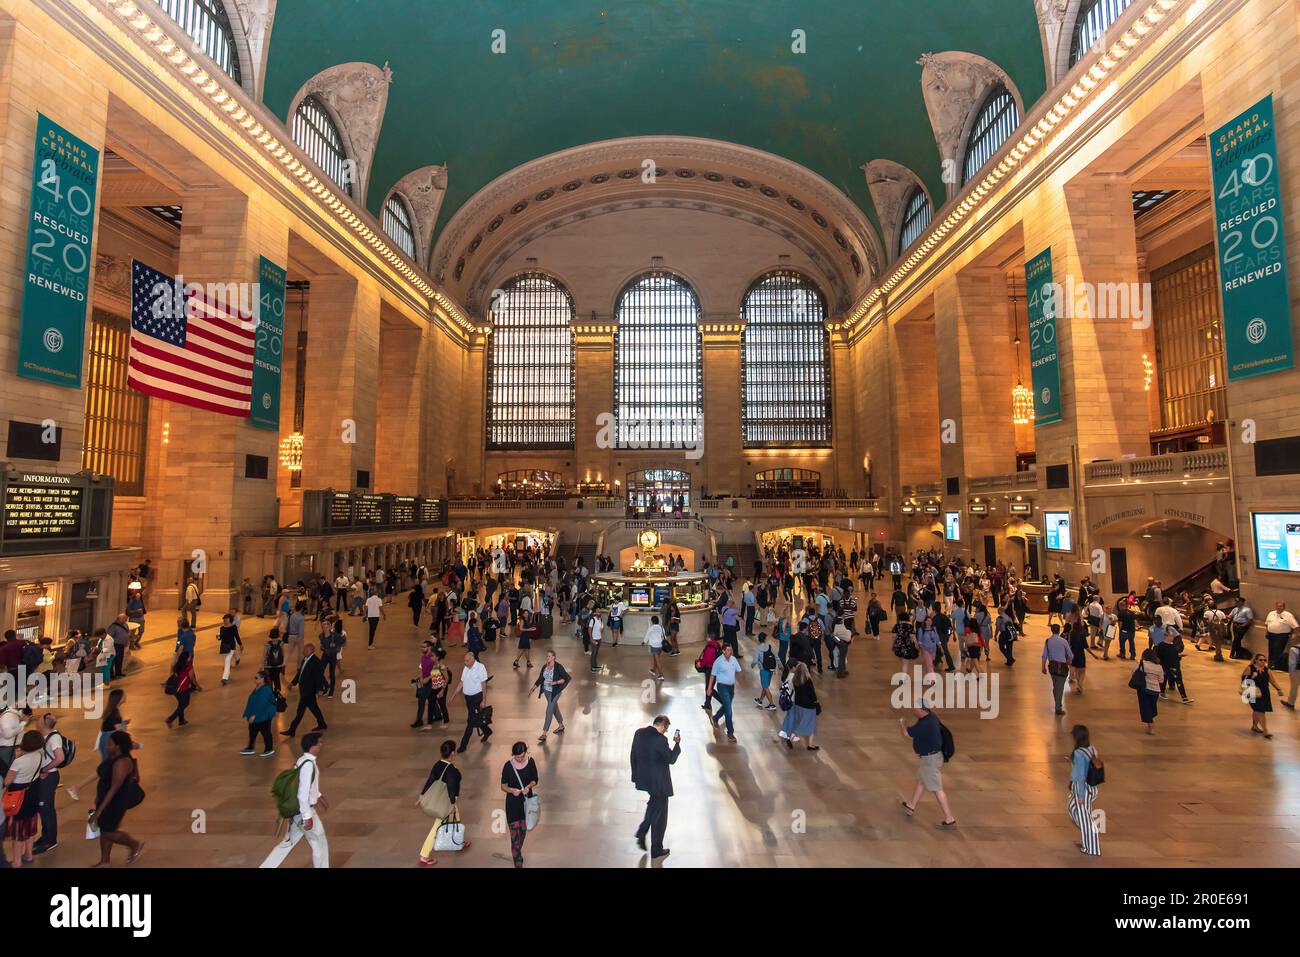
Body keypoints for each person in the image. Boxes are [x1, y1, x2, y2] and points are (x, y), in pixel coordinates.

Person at [261, 732, 328, 868]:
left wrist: (319, 795)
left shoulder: (302, 760)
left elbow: (301, 784)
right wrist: (307, 817)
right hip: (304, 811)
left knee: (287, 843)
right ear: (312, 746)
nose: (321, 745)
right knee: (319, 842)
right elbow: (302, 793)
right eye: (319, 742)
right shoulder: (309, 765)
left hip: (296, 814)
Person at [629, 716, 679, 860]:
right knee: (660, 817)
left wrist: (635, 776)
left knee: (653, 805)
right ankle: (656, 849)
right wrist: (677, 745)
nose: (665, 732)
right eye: (666, 729)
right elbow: (671, 759)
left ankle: (642, 831)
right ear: (663, 726)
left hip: (645, 779)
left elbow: (632, 754)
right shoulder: (660, 740)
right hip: (659, 783)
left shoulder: (639, 733)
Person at [899, 707, 956, 827]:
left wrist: (902, 723)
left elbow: (906, 733)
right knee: (921, 781)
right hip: (931, 758)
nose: (914, 711)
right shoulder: (931, 717)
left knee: (937, 789)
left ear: (922, 710)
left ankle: (949, 818)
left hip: (930, 761)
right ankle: (911, 805)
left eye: (916, 709)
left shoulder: (925, 723)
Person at [416, 740, 465, 866]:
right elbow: (451, 789)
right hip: (446, 803)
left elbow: (430, 780)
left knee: (457, 816)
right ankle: (424, 855)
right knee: (437, 826)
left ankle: (459, 840)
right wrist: (452, 803)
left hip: (440, 798)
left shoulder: (437, 765)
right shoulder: (452, 770)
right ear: (453, 752)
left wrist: (422, 796)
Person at [3, 730, 44, 866]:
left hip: (18, 797)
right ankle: (28, 854)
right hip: (33, 792)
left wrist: (16, 758)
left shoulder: (19, 762)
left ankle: (17, 861)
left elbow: (8, 781)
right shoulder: (40, 755)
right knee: (30, 825)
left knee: (18, 831)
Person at [500, 742, 539, 867]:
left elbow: (535, 779)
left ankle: (517, 849)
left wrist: (528, 786)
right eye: (517, 757)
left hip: (526, 802)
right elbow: (503, 786)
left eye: (522, 756)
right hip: (512, 803)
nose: (520, 759)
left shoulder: (531, 762)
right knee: (514, 833)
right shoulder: (508, 766)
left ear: (526, 752)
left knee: (523, 830)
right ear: (513, 755)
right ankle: (517, 858)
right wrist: (512, 790)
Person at [1067, 724, 1101, 856]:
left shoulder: (1078, 754)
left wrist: (1080, 796)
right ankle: (1088, 835)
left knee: (1084, 817)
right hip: (1090, 788)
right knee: (1073, 809)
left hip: (1082, 789)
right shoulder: (1091, 749)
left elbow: (1080, 776)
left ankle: (1091, 847)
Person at [449, 650, 491, 753]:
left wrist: (483, 700)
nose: (465, 662)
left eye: (467, 660)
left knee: (470, 721)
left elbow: (484, 684)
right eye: (464, 660)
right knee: (477, 717)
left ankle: (463, 745)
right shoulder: (466, 668)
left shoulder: (480, 668)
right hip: (468, 699)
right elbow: (461, 682)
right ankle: (487, 731)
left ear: (473, 660)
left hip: (477, 698)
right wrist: (453, 695)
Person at [282, 643, 327, 736]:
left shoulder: (316, 662)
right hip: (304, 690)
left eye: (305, 650)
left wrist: (319, 690)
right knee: (314, 709)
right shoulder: (305, 659)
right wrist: (292, 683)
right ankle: (322, 724)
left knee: (300, 712)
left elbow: (319, 677)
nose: (303, 651)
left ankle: (292, 730)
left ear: (310, 651)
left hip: (309, 691)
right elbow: (300, 673)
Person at [779, 660, 820, 749]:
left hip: (798, 705)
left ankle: (809, 743)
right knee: (810, 724)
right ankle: (801, 739)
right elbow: (812, 694)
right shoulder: (808, 680)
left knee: (799, 721)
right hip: (809, 706)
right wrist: (816, 702)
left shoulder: (795, 680)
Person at [531, 649, 569, 743]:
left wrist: (555, 682)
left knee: (549, 710)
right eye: (547, 656)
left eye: (549, 656)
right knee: (554, 708)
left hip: (555, 692)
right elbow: (541, 678)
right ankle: (561, 725)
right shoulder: (545, 666)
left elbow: (566, 678)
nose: (547, 658)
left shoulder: (558, 667)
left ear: (553, 657)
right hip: (547, 692)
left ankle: (544, 733)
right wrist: (533, 688)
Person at [1242, 653, 1281, 739]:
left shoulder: (1267, 670)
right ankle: (1266, 730)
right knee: (1260, 710)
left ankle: (1255, 726)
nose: (1263, 662)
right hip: (1252, 692)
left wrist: (1279, 689)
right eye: (1260, 660)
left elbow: (1273, 681)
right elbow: (1244, 681)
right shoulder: (1250, 668)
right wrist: (1252, 677)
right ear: (1255, 660)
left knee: (1258, 710)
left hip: (1264, 693)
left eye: (1264, 660)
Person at [240, 670, 278, 757]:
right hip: (257, 716)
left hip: (264, 715)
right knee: (252, 731)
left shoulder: (266, 689)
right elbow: (251, 701)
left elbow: (261, 704)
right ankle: (250, 748)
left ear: (262, 679)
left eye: (256, 678)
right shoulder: (257, 688)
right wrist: (246, 714)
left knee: (265, 732)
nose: (254, 679)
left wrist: (254, 715)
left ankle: (269, 749)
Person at [1041, 624, 1072, 715]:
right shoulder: (1063, 641)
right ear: (1059, 631)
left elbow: (1044, 655)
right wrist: (1069, 661)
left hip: (1052, 667)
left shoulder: (1048, 641)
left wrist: (1043, 667)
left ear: (1051, 630)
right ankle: (1058, 708)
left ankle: (1058, 703)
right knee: (1060, 687)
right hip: (1062, 667)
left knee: (1056, 686)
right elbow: (1070, 654)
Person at [165, 651, 199, 727]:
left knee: (181, 704)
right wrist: (197, 686)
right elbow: (192, 678)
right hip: (183, 689)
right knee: (185, 704)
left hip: (176, 689)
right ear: (187, 658)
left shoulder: (177, 665)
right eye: (189, 656)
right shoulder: (188, 666)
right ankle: (170, 719)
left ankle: (181, 720)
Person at [1134, 647, 1164, 734]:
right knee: (1151, 707)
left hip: (1144, 689)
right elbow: (1161, 680)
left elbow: (1134, 672)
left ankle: (1151, 725)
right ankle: (1150, 722)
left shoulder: (1142, 664)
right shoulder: (1159, 667)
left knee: (1145, 708)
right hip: (1155, 691)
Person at [1265, 602, 1298, 670]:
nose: (1278, 607)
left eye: (1280, 606)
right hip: (1271, 634)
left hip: (1282, 635)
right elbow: (1267, 623)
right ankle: (1270, 663)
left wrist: (1294, 635)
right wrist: (1267, 632)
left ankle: (1276, 665)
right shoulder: (1271, 613)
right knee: (1271, 649)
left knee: (1278, 649)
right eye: (1277, 606)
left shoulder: (1288, 615)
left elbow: (1295, 626)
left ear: (1284, 607)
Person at [320, 619, 346, 698]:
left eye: (327, 626)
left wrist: (337, 647)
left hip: (332, 656)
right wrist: (322, 647)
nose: (325, 628)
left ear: (330, 627)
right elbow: (322, 645)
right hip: (325, 655)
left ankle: (331, 691)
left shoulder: (335, 635)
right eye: (324, 626)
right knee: (319, 671)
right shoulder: (321, 636)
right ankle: (326, 686)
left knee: (332, 674)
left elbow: (343, 641)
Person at [752, 632, 777, 709]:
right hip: (770, 669)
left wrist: (752, 665)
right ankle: (760, 700)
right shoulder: (770, 647)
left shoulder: (758, 649)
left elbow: (755, 660)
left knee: (765, 687)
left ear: (759, 640)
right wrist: (779, 666)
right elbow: (776, 657)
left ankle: (772, 704)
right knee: (765, 686)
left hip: (763, 670)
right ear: (765, 639)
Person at [217, 613, 241, 686]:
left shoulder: (234, 627)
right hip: (224, 647)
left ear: (230, 620)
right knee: (226, 661)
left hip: (231, 647)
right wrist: (218, 637)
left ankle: (225, 678)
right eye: (224, 619)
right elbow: (220, 638)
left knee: (227, 661)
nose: (224, 620)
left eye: (226, 619)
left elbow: (237, 636)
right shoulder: (222, 628)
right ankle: (227, 674)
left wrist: (240, 644)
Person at [107, 613, 131, 680]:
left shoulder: (125, 625)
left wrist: (127, 641)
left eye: (125, 618)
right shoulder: (113, 626)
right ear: (119, 619)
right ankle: (111, 674)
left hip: (121, 645)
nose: (125, 619)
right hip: (115, 645)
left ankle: (118, 673)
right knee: (113, 660)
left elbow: (128, 633)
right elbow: (109, 636)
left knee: (119, 659)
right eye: (124, 618)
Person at [645, 614, 667, 680]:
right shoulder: (661, 627)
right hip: (660, 645)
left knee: (658, 661)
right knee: (655, 658)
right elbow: (664, 636)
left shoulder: (651, 628)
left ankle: (661, 675)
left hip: (654, 645)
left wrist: (644, 641)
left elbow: (647, 635)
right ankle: (653, 670)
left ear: (652, 621)